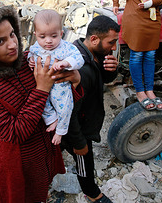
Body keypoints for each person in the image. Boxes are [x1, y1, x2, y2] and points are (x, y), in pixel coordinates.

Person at [0, 6, 83, 203]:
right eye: (0, 41)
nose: (13, 44)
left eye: (12, 34)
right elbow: (14, 133)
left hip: (45, 151)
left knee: (41, 191)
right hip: (19, 163)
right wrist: (41, 89)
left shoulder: (29, 61)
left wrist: (75, 80)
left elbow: (60, 97)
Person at [62, 15, 120, 203]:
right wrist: (79, 143)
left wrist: (111, 71)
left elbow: (102, 79)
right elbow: (69, 113)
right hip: (77, 128)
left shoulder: (93, 53)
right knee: (84, 159)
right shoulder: (80, 68)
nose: (113, 47)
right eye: (111, 42)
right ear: (94, 39)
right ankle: (93, 194)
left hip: (85, 120)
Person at [28, 9, 84, 145]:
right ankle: (52, 120)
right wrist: (30, 60)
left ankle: (60, 131)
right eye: (42, 37)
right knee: (42, 105)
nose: (48, 41)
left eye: (53, 36)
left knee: (65, 107)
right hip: (41, 85)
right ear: (35, 35)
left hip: (60, 85)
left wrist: (67, 63)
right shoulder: (35, 47)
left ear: (61, 33)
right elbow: (31, 53)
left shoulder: (65, 47)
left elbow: (78, 59)